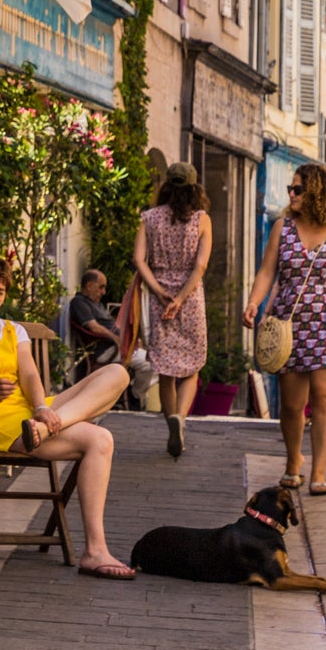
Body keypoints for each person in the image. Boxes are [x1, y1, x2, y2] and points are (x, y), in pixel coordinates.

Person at [0, 256, 135, 580]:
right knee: (102, 439)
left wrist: (43, 409)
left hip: (32, 418)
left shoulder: (14, 331)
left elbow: (29, 375)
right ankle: (95, 550)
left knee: (117, 372)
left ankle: (47, 425)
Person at [242, 163, 326, 496]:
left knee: (325, 397)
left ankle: (319, 471)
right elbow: (266, 272)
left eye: (298, 189)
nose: (292, 194)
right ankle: (293, 461)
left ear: (316, 192)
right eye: (291, 189)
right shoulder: (282, 228)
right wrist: (253, 302)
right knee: (291, 405)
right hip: (290, 323)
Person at [135, 162, 214, 458]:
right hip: (190, 299)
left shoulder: (149, 218)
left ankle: (171, 419)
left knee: (165, 368)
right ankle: (180, 418)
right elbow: (201, 265)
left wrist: (158, 290)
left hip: (159, 298)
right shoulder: (201, 219)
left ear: (166, 185)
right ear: (195, 188)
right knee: (192, 366)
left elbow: (139, 259)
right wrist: (181, 297)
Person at [66, 268, 122, 379]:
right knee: (148, 364)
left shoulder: (98, 304)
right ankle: (135, 395)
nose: (103, 292)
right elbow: (94, 327)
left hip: (117, 346)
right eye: (101, 287)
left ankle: (131, 392)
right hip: (105, 349)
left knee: (151, 361)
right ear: (89, 286)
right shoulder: (79, 302)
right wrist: (116, 338)